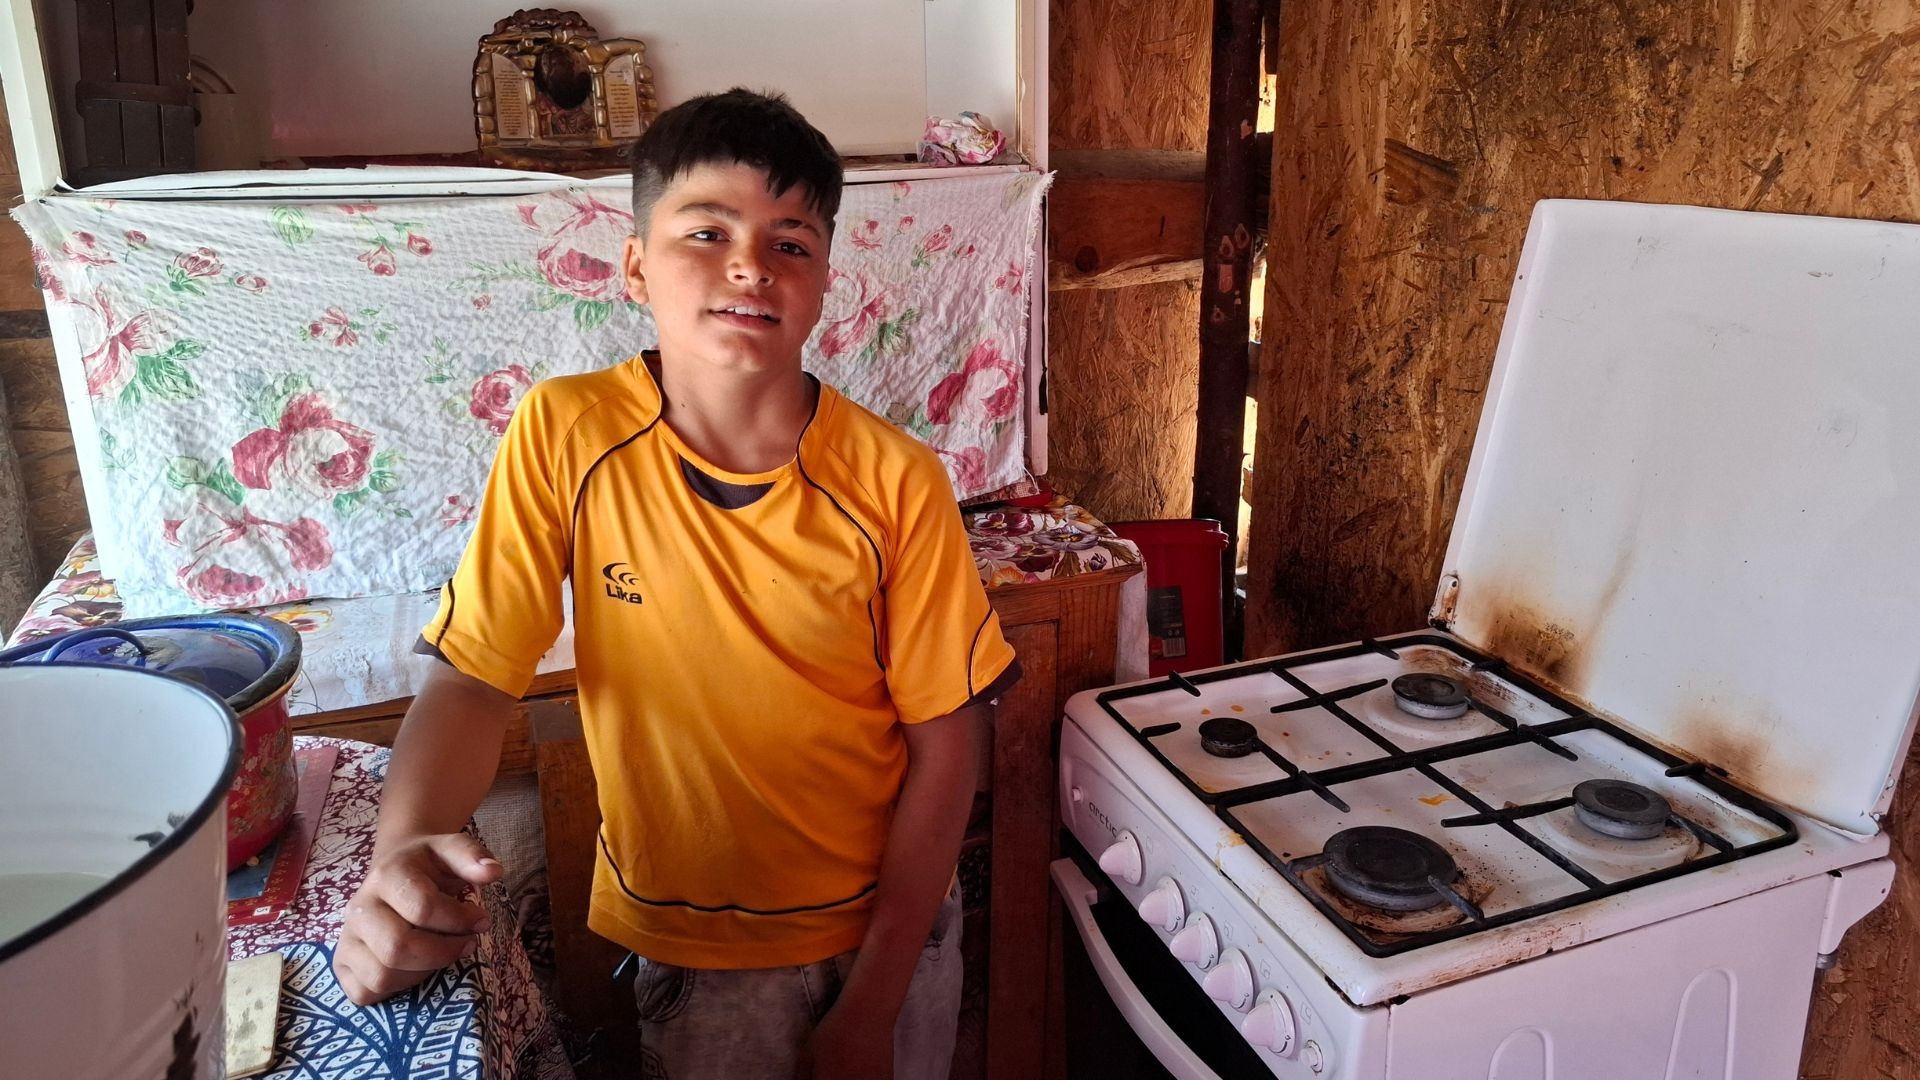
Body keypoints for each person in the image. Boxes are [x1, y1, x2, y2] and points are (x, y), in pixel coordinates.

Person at [331, 88, 1020, 1080]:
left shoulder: (896, 480)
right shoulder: (565, 434)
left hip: (886, 936)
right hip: (692, 946)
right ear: (635, 264)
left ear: (825, 282)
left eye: (790, 243)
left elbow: (947, 741)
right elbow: (475, 676)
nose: (750, 263)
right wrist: (401, 851)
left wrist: (872, 1004)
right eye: (707, 231)